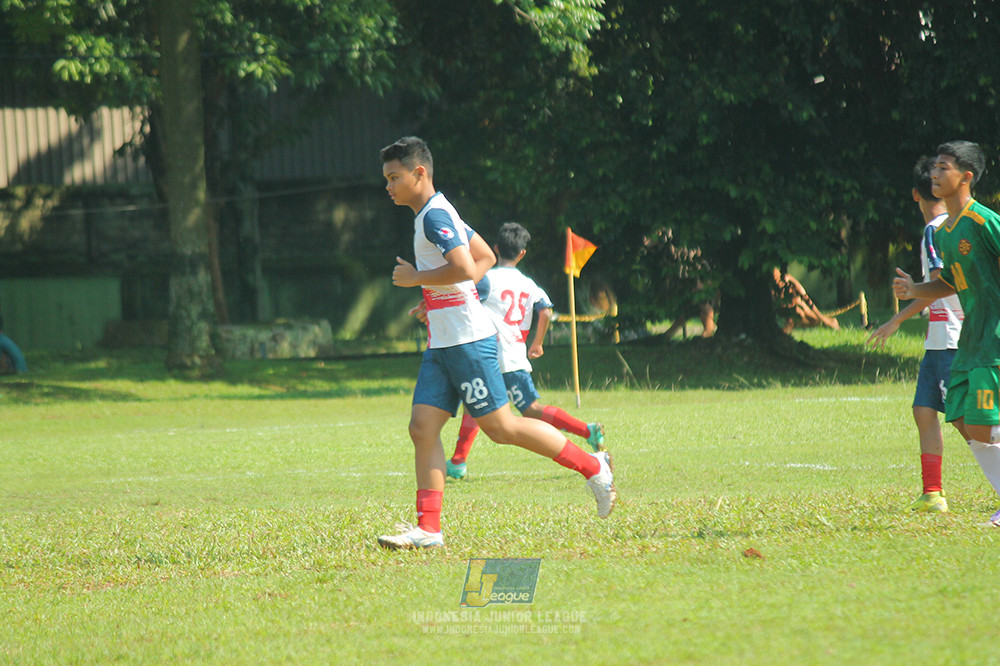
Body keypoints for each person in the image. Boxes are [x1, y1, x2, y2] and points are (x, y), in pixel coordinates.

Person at [377, 136, 616, 550]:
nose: (389, 186)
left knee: (503, 428)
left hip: (468, 341)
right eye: (386, 179)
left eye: (394, 177)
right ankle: (429, 529)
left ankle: (593, 465)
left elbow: (467, 267)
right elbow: (486, 257)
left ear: (419, 173)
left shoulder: (434, 216)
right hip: (443, 343)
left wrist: (418, 278)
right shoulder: (434, 212)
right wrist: (432, 295)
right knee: (422, 427)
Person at [444, 222, 606, 481]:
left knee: (528, 409)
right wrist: (537, 342)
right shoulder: (529, 284)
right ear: (522, 254)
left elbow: (464, 297)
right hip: (511, 355)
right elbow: (546, 310)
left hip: (498, 357)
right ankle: (458, 461)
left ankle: (588, 431)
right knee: (475, 405)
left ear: (495, 249)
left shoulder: (487, 280)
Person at [893, 140, 1000, 526]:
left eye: (943, 167)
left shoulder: (984, 222)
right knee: (960, 417)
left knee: (985, 422)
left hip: (994, 336)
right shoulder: (946, 232)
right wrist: (915, 291)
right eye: (934, 168)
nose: (935, 174)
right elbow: (951, 282)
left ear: (966, 177)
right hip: (971, 338)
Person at [868, 156, 964, 512]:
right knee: (924, 410)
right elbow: (933, 289)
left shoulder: (934, 230)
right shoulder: (949, 226)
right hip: (938, 339)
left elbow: (941, 284)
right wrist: (900, 317)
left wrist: (910, 292)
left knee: (966, 421)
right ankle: (933, 493)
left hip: (952, 339)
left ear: (914, 195)